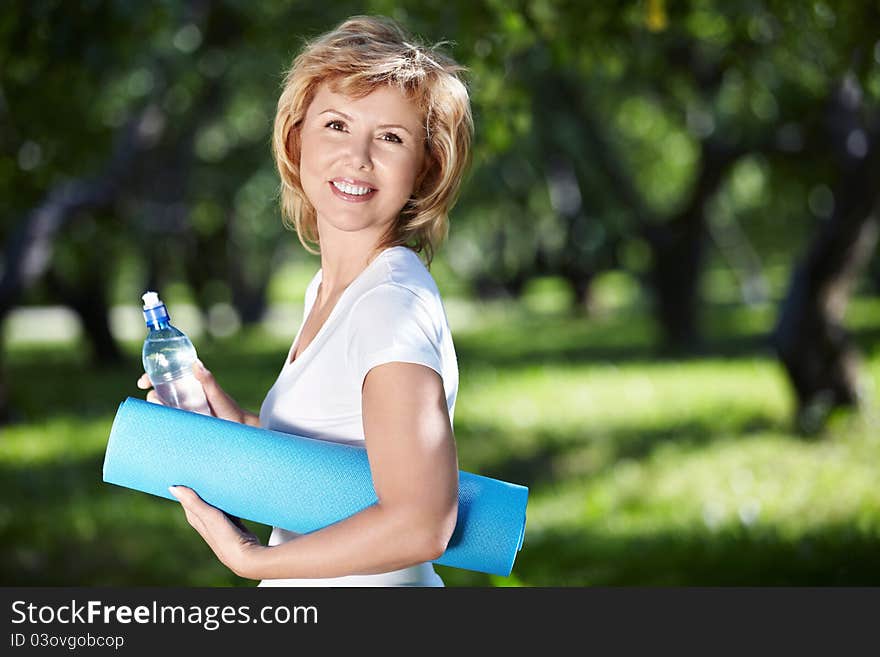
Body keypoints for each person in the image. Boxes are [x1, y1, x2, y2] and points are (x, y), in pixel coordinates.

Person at [137, 15, 473, 586]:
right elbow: (340, 472)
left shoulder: (388, 305)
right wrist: (237, 425)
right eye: (337, 125)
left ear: (426, 166)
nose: (358, 156)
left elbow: (423, 523)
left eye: (391, 137)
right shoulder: (333, 288)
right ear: (297, 138)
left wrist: (253, 561)